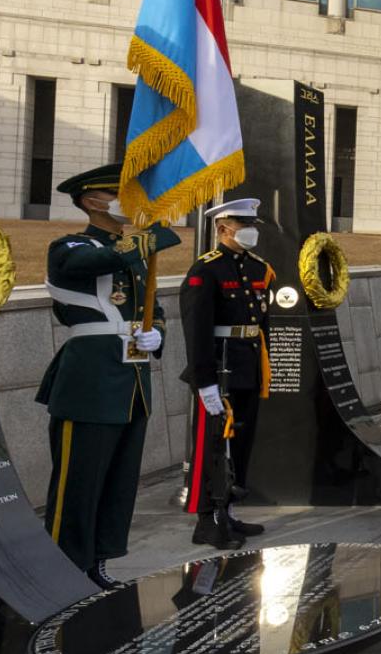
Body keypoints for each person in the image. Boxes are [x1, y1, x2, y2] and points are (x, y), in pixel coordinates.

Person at [35, 164, 179, 585]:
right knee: (78, 482)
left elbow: (153, 308)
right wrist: (150, 228)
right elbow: (99, 259)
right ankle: (63, 569)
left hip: (131, 383)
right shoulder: (69, 247)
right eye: (118, 194)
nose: (127, 201)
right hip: (91, 382)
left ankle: (98, 561)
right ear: (91, 200)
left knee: (117, 483)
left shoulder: (133, 251)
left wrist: (157, 333)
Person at [181, 198, 274, 550]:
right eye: (242, 224)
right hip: (218, 367)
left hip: (247, 364)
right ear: (223, 229)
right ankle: (207, 519)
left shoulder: (257, 268)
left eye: (253, 224)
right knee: (213, 445)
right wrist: (203, 380)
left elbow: (262, 321)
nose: (251, 230)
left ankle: (229, 510)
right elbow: (197, 330)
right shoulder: (205, 270)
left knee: (241, 443)